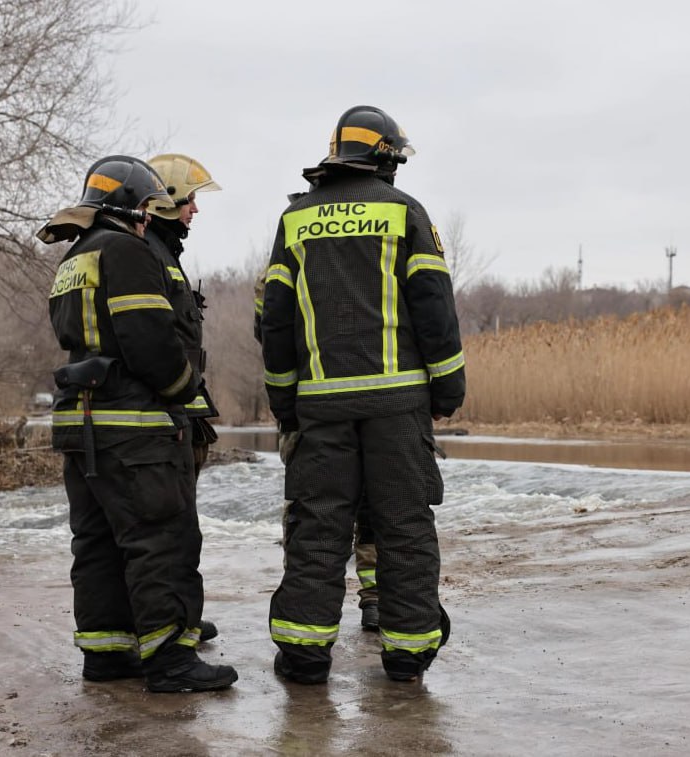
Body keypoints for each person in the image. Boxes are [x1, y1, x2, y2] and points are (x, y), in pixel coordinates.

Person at [259, 106, 466, 684]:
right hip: (398, 406)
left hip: (320, 407)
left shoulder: (294, 220)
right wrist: (447, 389)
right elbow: (434, 307)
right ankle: (407, 653)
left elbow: (276, 324)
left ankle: (303, 653)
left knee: (317, 526)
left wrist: (284, 404)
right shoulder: (405, 213)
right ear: (385, 157)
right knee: (403, 525)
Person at [37, 155, 238, 692]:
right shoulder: (126, 250)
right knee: (159, 538)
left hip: (83, 427)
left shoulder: (76, 256)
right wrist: (182, 390)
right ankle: (171, 660)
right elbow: (148, 340)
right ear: (130, 207)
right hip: (134, 427)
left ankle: (108, 654)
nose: (154, 218)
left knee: (98, 542)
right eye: (149, 207)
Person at [254, 274, 380, 631]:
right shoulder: (372, 245)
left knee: (314, 508)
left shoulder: (285, 260)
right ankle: (365, 599)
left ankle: (313, 601)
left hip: (311, 404)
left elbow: (268, 333)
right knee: (347, 505)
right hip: (363, 402)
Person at [145, 154, 222, 479]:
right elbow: (151, 338)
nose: (195, 209)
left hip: (182, 405)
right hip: (168, 410)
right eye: (190, 199)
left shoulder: (165, 253)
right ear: (167, 201)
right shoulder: (149, 253)